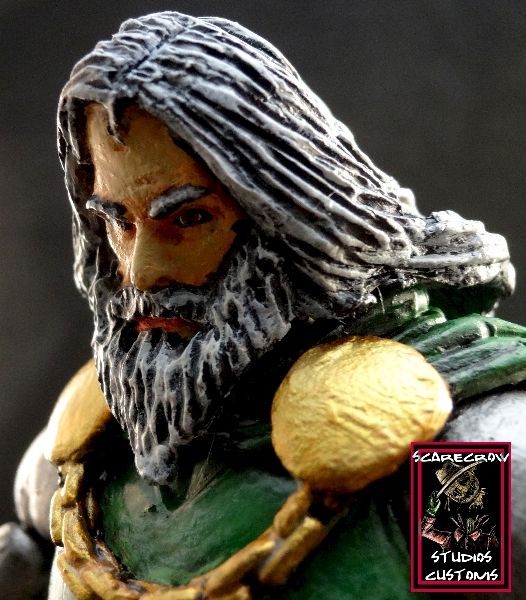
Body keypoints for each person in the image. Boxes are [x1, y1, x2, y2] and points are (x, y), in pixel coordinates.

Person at [3, 11, 525, 599]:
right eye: (119, 221)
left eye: (189, 218)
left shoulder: (460, 457)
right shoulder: (80, 462)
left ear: (291, 217)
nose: (142, 271)